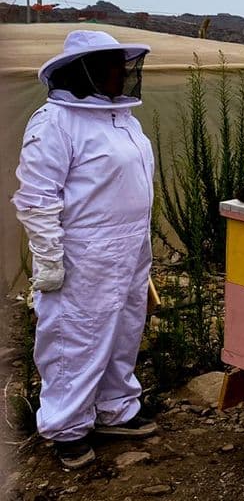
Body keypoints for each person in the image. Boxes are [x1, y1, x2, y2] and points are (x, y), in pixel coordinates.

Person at [13, 30, 160, 470]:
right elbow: (36, 198)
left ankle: (116, 408)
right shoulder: (54, 122)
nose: (121, 74)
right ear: (87, 72)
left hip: (130, 247)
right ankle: (68, 428)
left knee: (124, 330)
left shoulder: (123, 118)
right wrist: (49, 261)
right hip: (83, 254)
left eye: (121, 66)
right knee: (75, 338)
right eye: (110, 67)